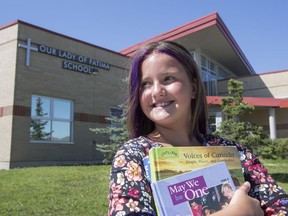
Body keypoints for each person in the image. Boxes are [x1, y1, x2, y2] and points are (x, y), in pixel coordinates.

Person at [108, 41, 288, 215]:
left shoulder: (235, 152)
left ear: (193, 88)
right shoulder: (132, 156)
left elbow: (281, 206)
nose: (156, 91)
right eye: (145, 84)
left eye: (168, 78)